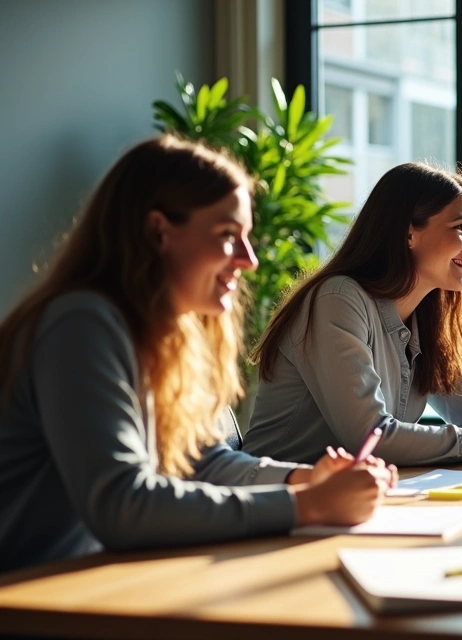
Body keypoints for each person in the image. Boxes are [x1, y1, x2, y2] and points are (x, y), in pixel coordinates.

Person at [0, 136, 391, 574]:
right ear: (158, 232)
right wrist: (305, 506)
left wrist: (302, 479)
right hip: (25, 597)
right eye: (228, 236)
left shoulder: (171, 333)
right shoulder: (81, 324)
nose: (249, 261)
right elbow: (120, 505)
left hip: (83, 587)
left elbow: (203, 461)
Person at [243, 163, 462, 466]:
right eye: (459, 228)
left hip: (355, 503)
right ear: (409, 233)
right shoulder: (337, 300)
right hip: (278, 512)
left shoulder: (426, 317)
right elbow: (372, 437)